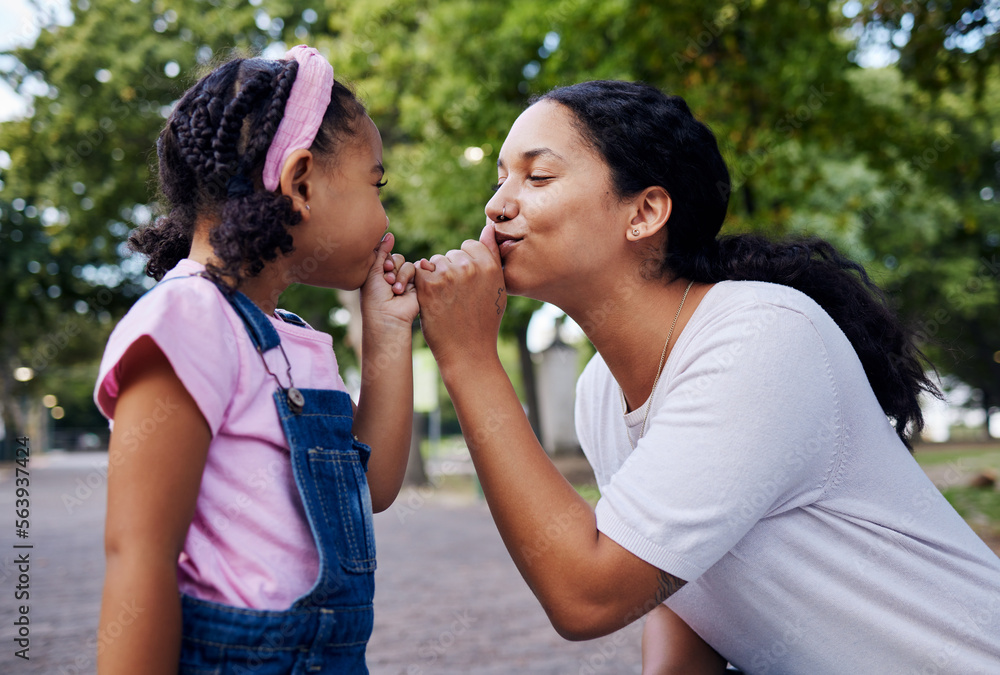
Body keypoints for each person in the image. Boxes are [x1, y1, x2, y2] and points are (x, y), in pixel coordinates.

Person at [413, 80, 1000, 673]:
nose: (497, 206)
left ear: (644, 212)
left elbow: (587, 596)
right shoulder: (601, 391)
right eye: (500, 179)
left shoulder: (759, 336)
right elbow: (684, 583)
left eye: (537, 178)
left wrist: (468, 359)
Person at [93, 46, 417, 674]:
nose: (385, 215)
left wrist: (387, 334)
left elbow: (369, 487)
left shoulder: (294, 340)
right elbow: (139, 556)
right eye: (376, 184)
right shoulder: (186, 320)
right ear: (300, 184)